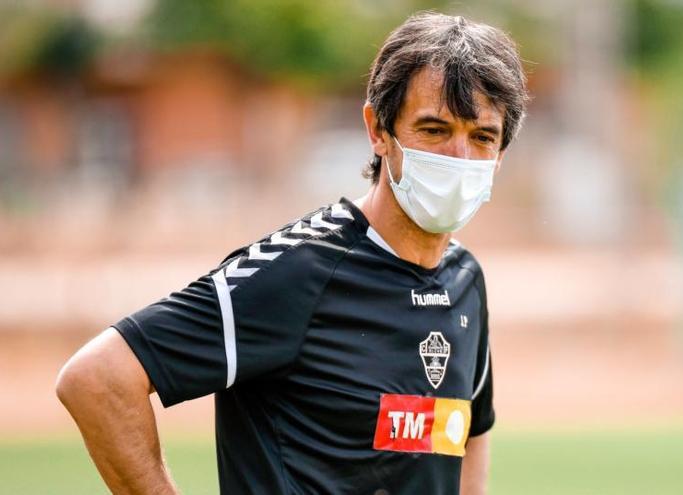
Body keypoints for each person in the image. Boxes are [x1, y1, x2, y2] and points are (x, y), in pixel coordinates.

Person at [56, 11, 527, 495]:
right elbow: (97, 380)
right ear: (378, 130)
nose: (460, 158)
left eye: (482, 137)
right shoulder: (300, 270)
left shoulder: (464, 279)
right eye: (434, 130)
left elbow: (464, 432)